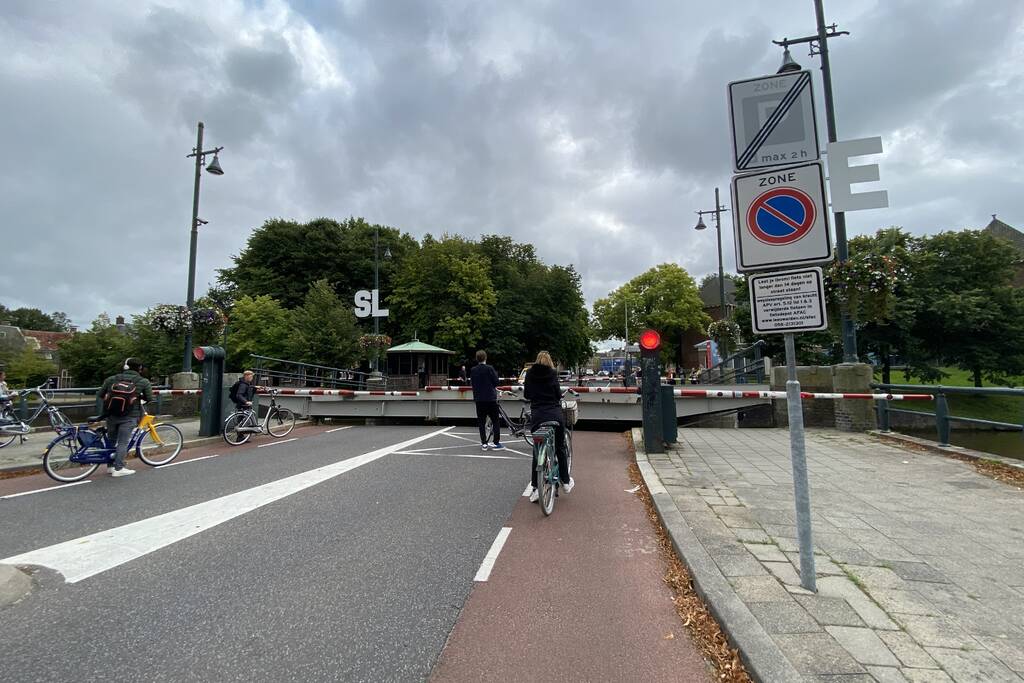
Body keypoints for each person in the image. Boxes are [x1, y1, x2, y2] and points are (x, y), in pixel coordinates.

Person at [524, 351, 573, 502]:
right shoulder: (552, 374)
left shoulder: (530, 373)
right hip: (554, 415)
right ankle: (565, 482)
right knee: (560, 448)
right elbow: (557, 394)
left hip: (538, 416)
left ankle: (536, 487)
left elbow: (527, 394)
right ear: (550, 361)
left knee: (537, 450)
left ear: (537, 360)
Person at [98, 357, 153, 477]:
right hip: (129, 416)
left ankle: (110, 467)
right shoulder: (143, 381)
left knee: (111, 440)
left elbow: (101, 394)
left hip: (111, 415)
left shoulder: (112, 379)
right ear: (140, 368)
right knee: (123, 442)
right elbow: (150, 398)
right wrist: (137, 397)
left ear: (125, 367)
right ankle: (119, 468)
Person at [470, 349, 503, 450]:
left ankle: (484, 443)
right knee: (495, 420)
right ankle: (496, 442)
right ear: (485, 358)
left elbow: (473, 384)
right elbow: (496, 382)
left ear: (477, 359)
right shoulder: (490, 368)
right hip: (490, 398)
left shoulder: (473, 370)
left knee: (481, 422)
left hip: (479, 399)